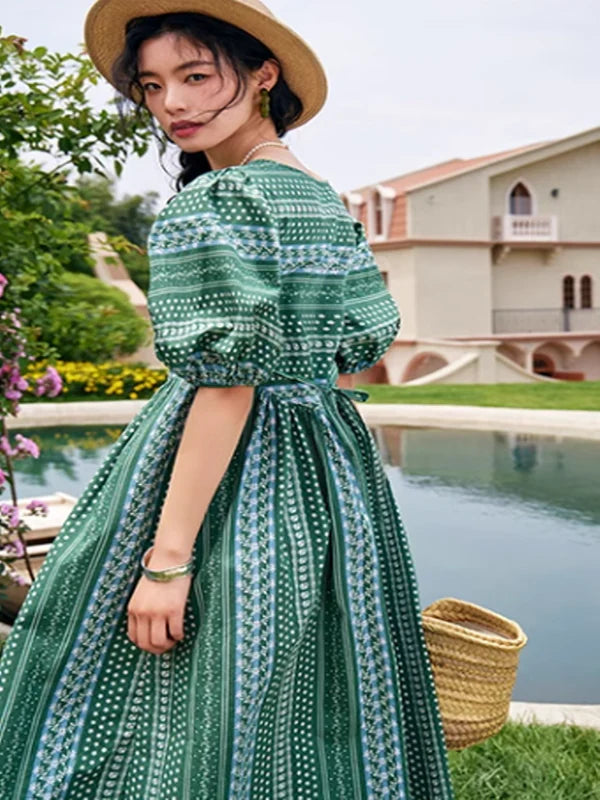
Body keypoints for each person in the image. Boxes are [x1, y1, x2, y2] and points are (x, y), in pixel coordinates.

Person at [0, 1, 456, 797]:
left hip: (225, 466)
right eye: (152, 86)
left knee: (136, 684)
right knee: (309, 682)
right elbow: (347, 353)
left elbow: (227, 384)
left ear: (263, 76)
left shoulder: (214, 203)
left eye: (196, 75)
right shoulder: (322, 199)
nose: (172, 103)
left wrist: (168, 562)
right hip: (330, 477)